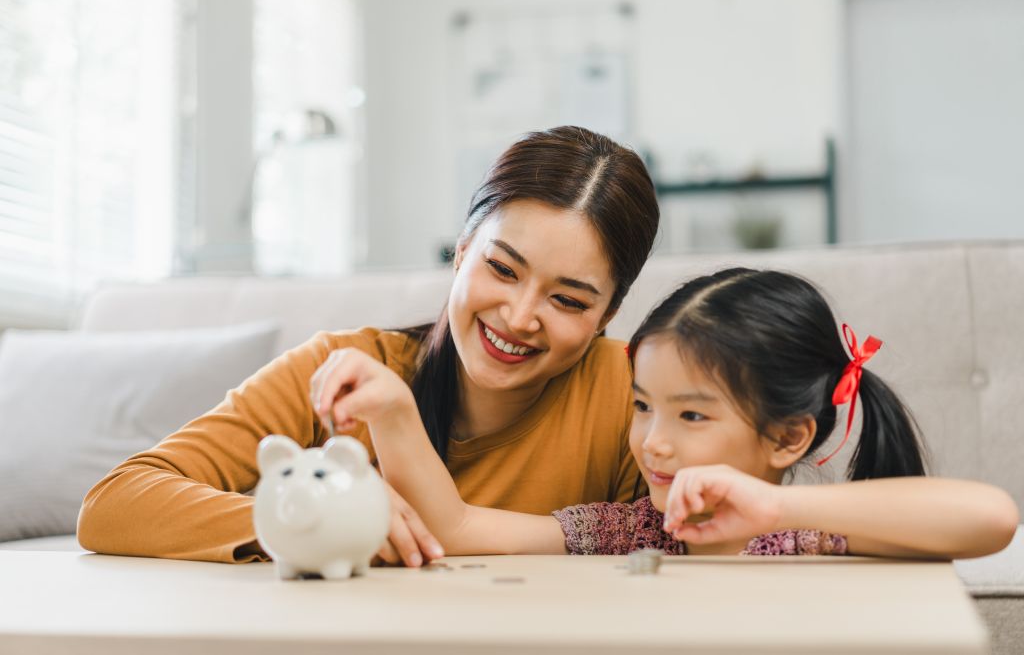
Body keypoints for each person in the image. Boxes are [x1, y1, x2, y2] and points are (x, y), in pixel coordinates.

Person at [77, 125, 661, 565]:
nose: (520, 316)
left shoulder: (635, 393)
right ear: (461, 253)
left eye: (568, 301)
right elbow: (114, 504)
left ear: (607, 313)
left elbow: (692, 547)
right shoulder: (346, 371)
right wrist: (314, 520)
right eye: (503, 270)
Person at [326, 268, 1019, 558]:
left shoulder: (810, 539)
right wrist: (393, 412)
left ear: (788, 437)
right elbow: (457, 526)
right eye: (641, 407)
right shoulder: (632, 533)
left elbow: (992, 518)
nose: (651, 443)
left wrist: (778, 511)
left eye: (691, 418)